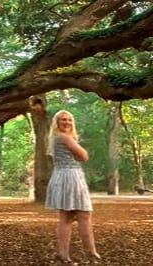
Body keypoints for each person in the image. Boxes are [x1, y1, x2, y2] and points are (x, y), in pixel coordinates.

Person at [46, 109, 100, 263]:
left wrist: (77, 154)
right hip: (70, 177)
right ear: (57, 122)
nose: (67, 122)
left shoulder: (57, 138)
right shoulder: (63, 137)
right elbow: (84, 155)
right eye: (63, 120)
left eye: (69, 120)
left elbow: (80, 156)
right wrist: (79, 154)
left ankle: (64, 255)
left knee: (67, 218)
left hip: (62, 176)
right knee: (84, 215)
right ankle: (91, 253)